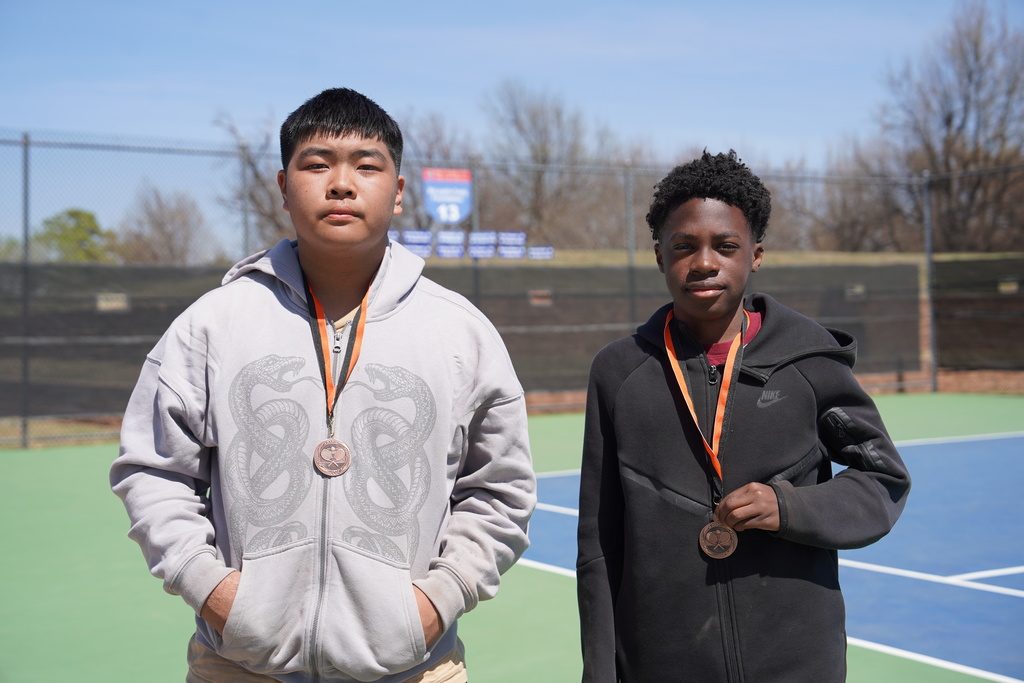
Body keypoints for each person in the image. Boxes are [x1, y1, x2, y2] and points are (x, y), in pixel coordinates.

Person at [111, 87, 536, 683]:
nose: (341, 184)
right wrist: (212, 591)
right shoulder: (212, 323)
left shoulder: (461, 332)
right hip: (237, 666)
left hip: (416, 669)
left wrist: (437, 602)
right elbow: (154, 471)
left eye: (367, 166)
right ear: (283, 187)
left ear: (399, 191)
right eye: (316, 165)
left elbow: (500, 491)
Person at [576, 150, 911, 682]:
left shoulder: (810, 360)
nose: (704, 262)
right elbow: (599, 545)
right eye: (684, 246)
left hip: (798, 663)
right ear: (659, 256)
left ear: (754, 256)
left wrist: (791, 506)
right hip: (661, 665)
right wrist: (600, 672)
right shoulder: (619, 372)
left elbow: (884, 479)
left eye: (725, 246)